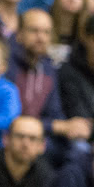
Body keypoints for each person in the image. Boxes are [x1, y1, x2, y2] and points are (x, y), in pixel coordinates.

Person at [10, 9, 83, 145]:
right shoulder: (6, 65)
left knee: (80, 147)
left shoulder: (48, 68)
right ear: (19, 34)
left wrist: (70, 126)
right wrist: (55, 126)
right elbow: (10, 118)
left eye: (46, 32)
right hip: (11, 138)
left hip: (41, 138)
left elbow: (54, 112)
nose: (41, 38)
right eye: (34, 31)